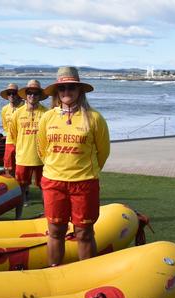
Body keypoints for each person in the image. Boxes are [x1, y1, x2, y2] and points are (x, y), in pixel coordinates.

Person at [37, 66, 110, 266]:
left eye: (71, 88)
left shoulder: (94, 118)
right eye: (62, 89)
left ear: (79, 91)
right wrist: (57, 167)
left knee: (84, 232)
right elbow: (42, 150)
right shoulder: (47, 117)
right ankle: (55, 271)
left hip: (84, 183)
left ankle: (86, 274)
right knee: (55, 231)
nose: (67, 92)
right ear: (57, 92)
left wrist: (86, 171)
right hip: (53, 182)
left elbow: (103, 152)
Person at [7, 80, 48, 219]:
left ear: (40, 95)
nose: (32, 96)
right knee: (21, 190)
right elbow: (13, 136)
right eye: (29, 93)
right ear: (25, 95)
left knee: (45, 189)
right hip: (23, 158)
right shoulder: (17, 114)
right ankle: (18, 218)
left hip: (42, 159)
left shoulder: (46, 113)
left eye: (36, 93)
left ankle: (48, 217)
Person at [0, 83, 24, 178]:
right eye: (9, 93)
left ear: (18, 94)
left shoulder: (24, 108)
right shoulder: (4, 109)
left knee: (21, 167)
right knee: (8, 167)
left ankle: (23, 188)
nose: (12, 95)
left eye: (14, 93)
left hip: (22, 141)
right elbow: (5, 126)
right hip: (9, 141)